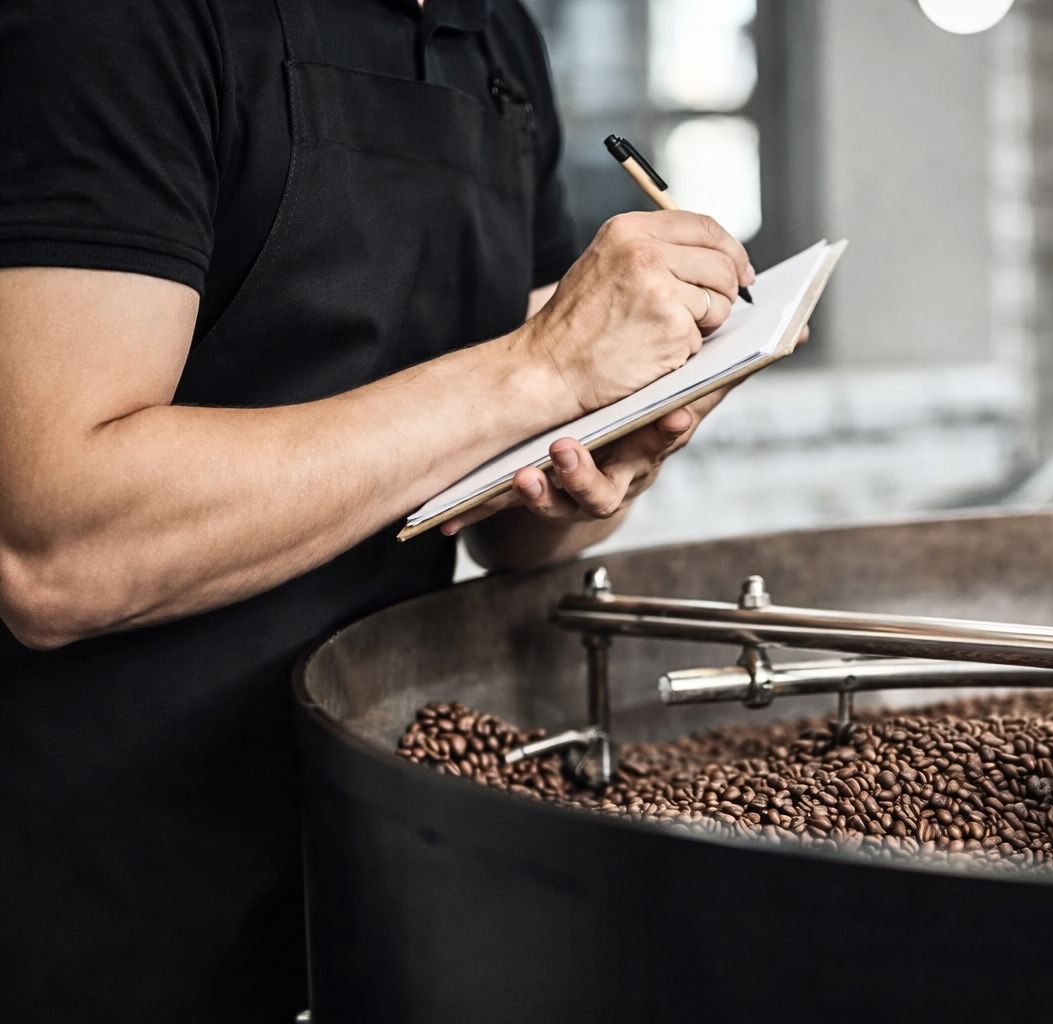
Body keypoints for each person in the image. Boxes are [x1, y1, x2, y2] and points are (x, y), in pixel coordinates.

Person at [0, 0, 759, 1019]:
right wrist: (537, 371)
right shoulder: (113, 28)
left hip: (369, 815)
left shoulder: (497, 38)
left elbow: (514, 527)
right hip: (92, 864)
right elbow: (52, 548)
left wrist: (615, 453)